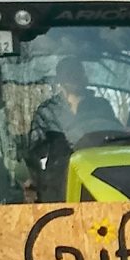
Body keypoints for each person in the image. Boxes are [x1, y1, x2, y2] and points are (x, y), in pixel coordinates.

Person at [28, 57, 122, 200]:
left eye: (77, 73)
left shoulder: (101, 106)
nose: (74, 78)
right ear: (60, 79)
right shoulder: (48, 111)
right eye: (69, 74)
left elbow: (115, 136)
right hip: (58, 179)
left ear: (84, 76)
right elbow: (35, 151)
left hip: (100, 174)